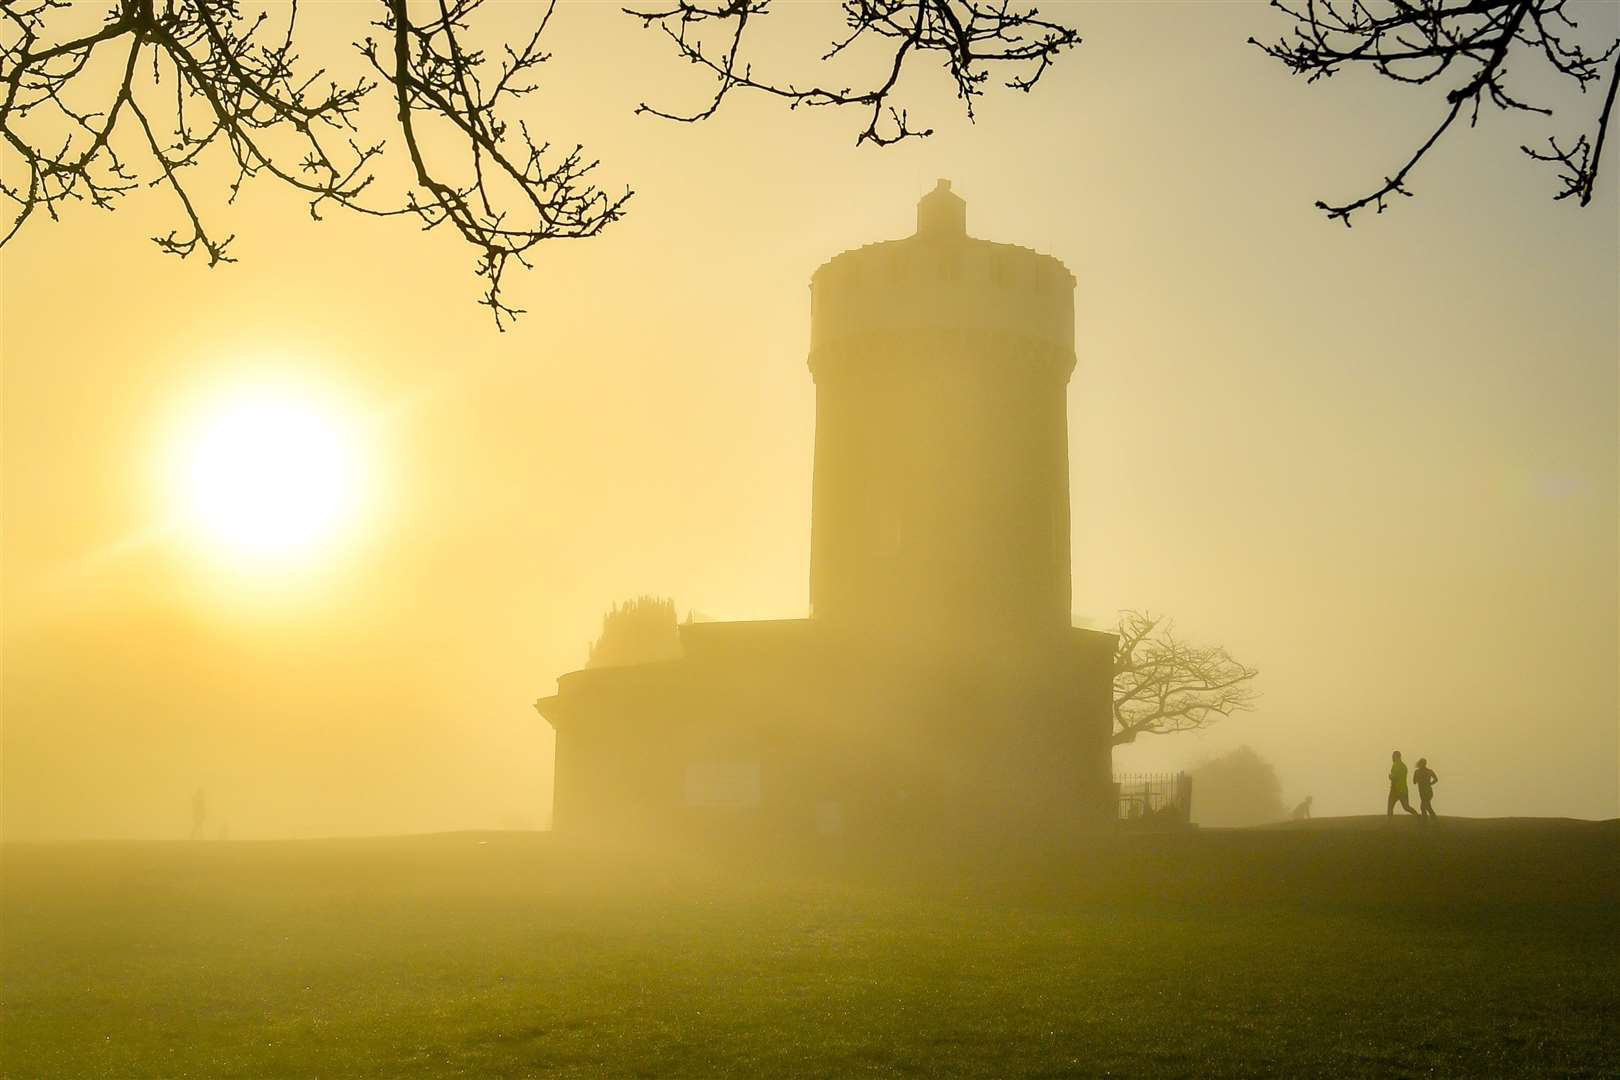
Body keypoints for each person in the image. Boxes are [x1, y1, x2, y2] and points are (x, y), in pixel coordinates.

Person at [1387, 751, 1419, 817]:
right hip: (1402, 789)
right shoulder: (1403, 766)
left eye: (1393, 756)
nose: (1392, 757)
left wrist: (1390, 777)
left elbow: (1395, 776)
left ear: (1396, 756)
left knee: (1391, 807)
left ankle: (1389, 823)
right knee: (1406, 807)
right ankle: (1417, 815)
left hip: (1397, 789)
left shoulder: (1396, 765)